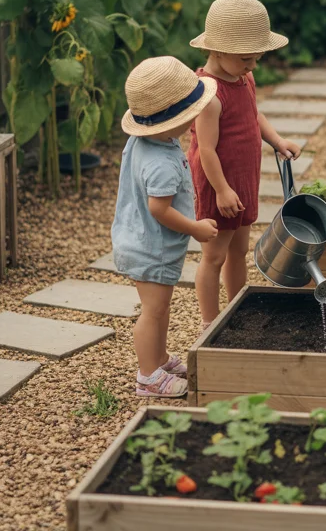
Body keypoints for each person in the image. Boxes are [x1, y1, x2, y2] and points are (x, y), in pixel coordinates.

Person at [189, 0, 303, 329]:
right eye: (246, 59)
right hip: (219, 183)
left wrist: (278, 141)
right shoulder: (208, 93)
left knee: (239, 249)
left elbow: (253, 115)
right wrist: (222, 190)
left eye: (256, 58)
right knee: (214, 255)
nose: (253, 66)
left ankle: (237, 307)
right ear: (219, 50)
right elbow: (206, 151)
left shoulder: (243, 77)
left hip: (242, 178)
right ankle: (211, 323)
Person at [112, 56, 221, 398]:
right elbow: (159, 209)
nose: (193, 122)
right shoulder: (159, 162)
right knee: (154, 310)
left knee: (160, 307)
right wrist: (195, 228)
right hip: (151, 248)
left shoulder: (148, 141)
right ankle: (148, 377)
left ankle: (158, 358)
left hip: (141, 239)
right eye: (188, 117)